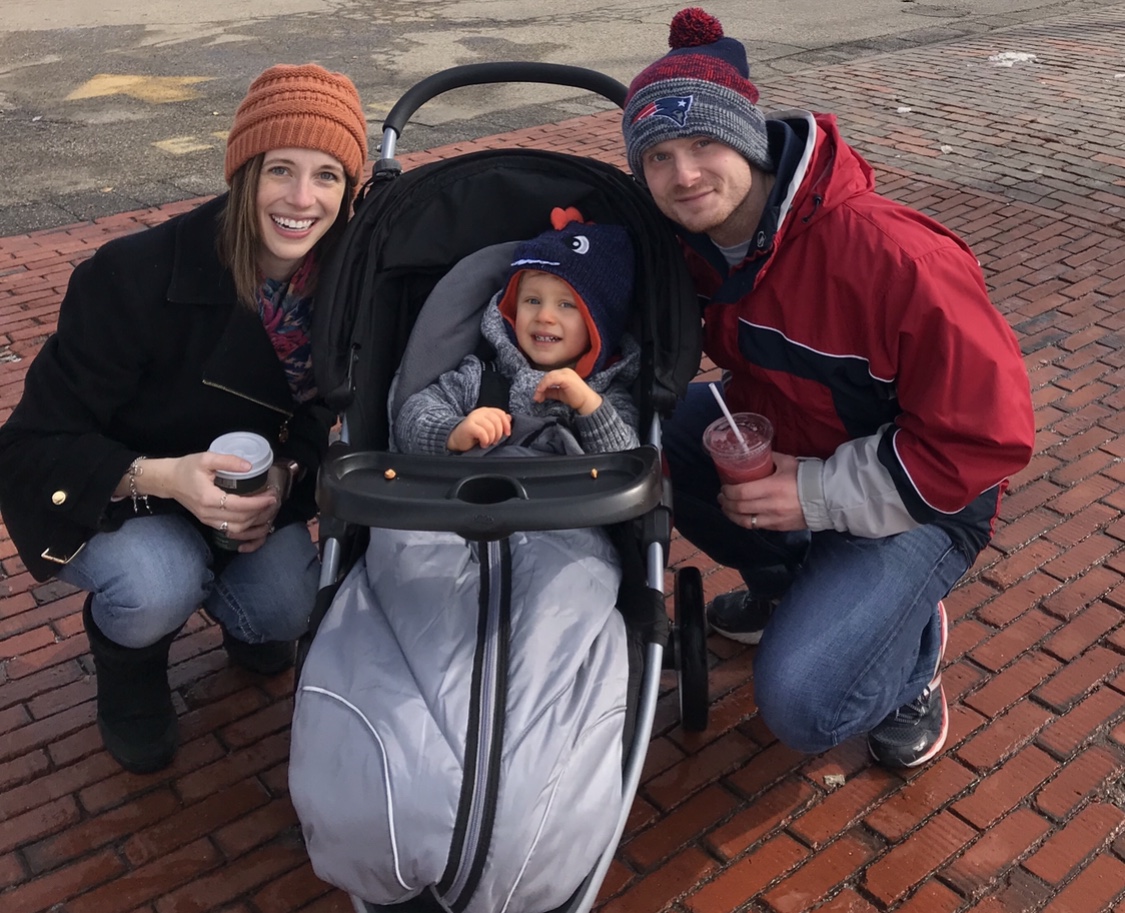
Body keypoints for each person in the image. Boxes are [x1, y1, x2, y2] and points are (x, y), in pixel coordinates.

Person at [620, 8, 1035, 768]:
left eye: (704, 144)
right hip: (800, 447)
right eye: (657, 157)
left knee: (806, 704)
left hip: (928, 498)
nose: (682, 175)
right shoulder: (698, 246)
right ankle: (792, 586)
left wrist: (813, 494)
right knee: (662, 435)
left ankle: (911, 649)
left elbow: (987, 437)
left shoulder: (893, 257)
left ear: (746, 138)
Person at [0, 63, 369, 774]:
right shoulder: (132, 274)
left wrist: (287, 472)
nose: (301, 198)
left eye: (327, 176)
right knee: (154, 582)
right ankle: (131, 666)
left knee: (285, 610)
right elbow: (26, 448)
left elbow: (325, 408)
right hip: (124, 496)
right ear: (243, 174)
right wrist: (163, 477)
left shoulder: (341, 287)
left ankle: (238, 609)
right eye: (280, 170)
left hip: (236, 498)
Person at [394, 207, 641, 456]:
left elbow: (629, 457)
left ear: (598, 324)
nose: (544, 316)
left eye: (566, 305)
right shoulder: (479, 379)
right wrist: (453, 432)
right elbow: (410, 418)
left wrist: (589, 406)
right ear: (512, 310)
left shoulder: (606, 394)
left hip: (571, 494)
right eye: (532, 301)